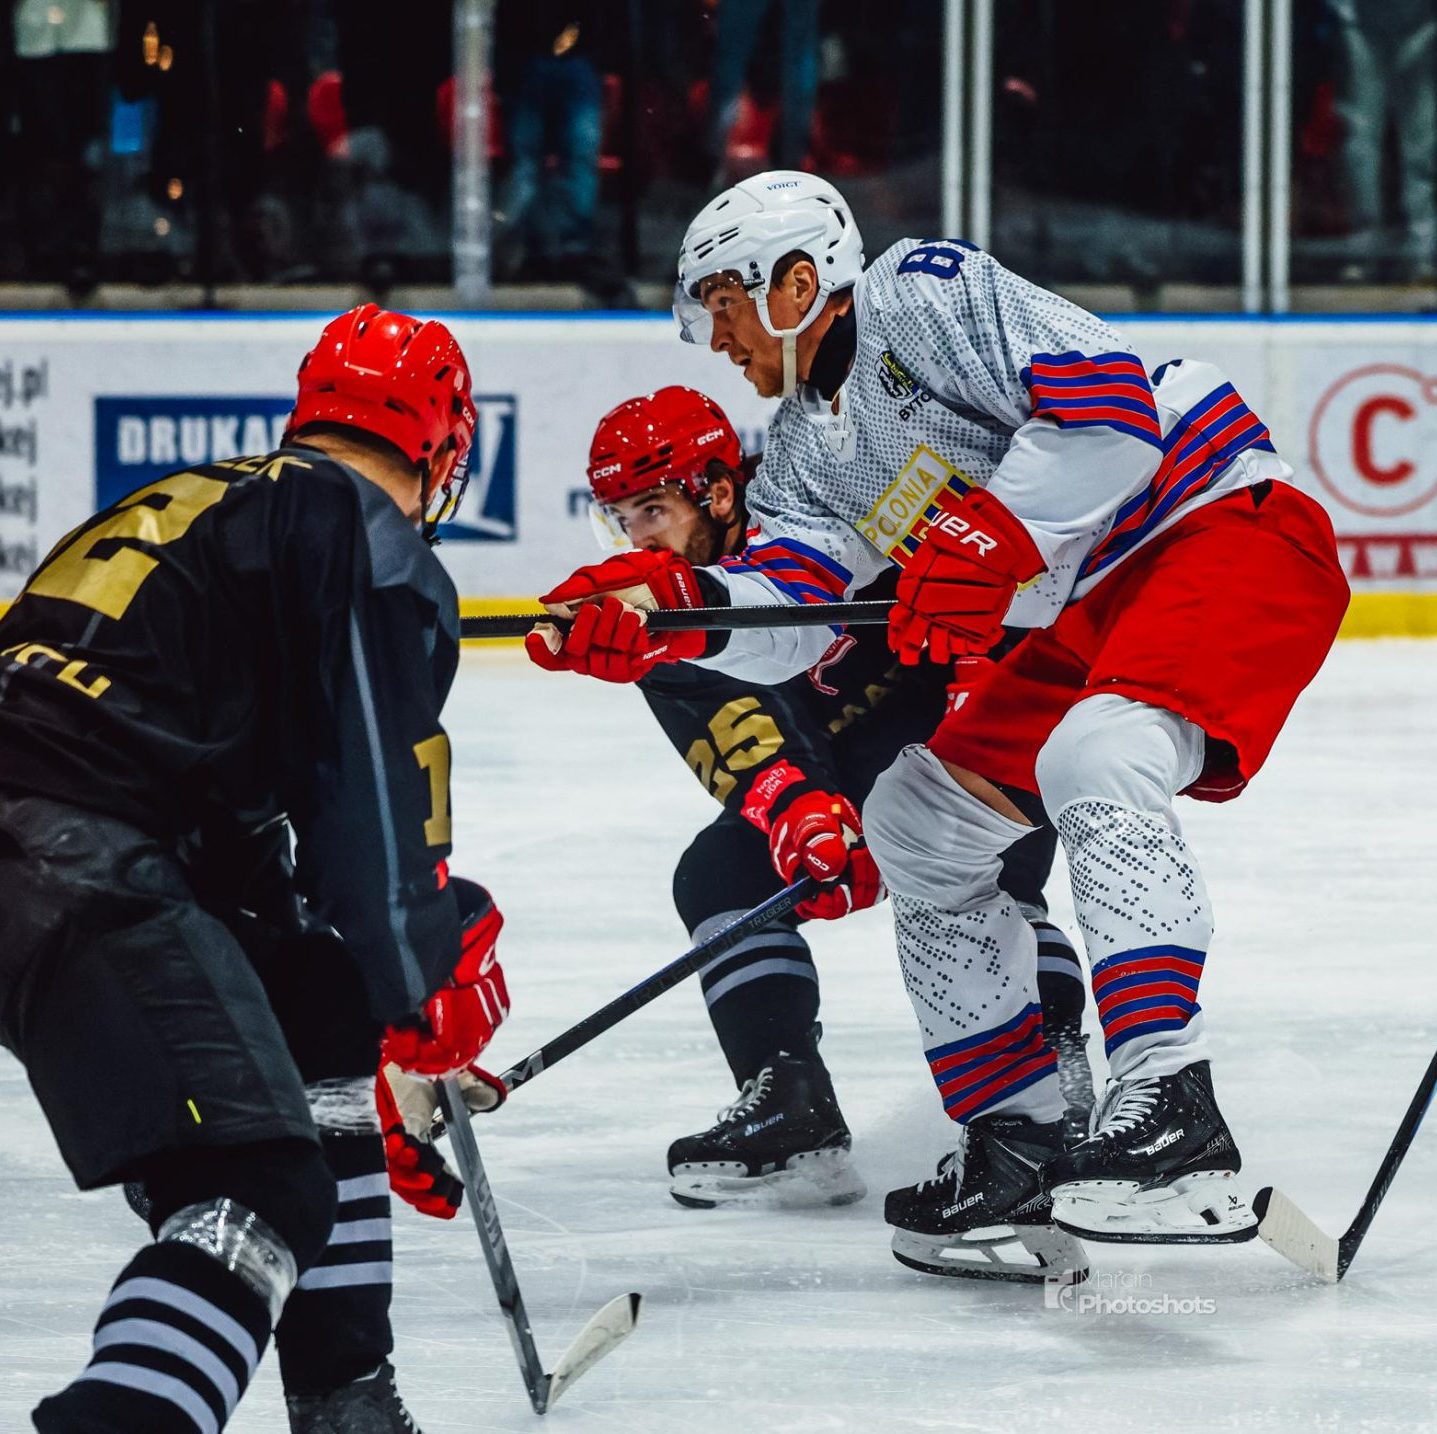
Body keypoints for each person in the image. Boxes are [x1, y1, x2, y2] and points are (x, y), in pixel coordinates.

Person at [524, 173, 1350, 1281]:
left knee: (1097, 753)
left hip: (1216, 525)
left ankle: (1171, 1105)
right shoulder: (803, 449)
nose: (716, 337)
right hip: (1087, 606)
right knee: (915, 821)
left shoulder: (921, 291)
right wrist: (675, 613)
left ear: (797, 282)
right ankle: (1020, 1139)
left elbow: (1112, 404)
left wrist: (993, 532)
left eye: (724, 303)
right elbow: (794, 615)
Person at [0, 303, 505, 1431]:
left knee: (317, 1001)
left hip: (66, 829)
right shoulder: (365, 531)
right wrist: (419, 978)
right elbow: (372, 794)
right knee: (259, 1187)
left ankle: (347, 1398)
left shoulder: (205, 502)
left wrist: (366, 1017)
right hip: (81, 845)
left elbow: (254, 848)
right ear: (440, 451)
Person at [562, 385, 1094, 1212]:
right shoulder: (657, 607)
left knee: (995, 886)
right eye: (622, 519)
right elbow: (741, 741)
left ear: (719, 492)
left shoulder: (824, 505)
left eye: (653, 510)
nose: (639, 538)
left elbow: (983, 602)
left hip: (961, 738)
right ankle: (790, 1100)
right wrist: (800, 811)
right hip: (842, 769)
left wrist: (974, 732)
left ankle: (1054, 1065)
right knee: (717, 873)